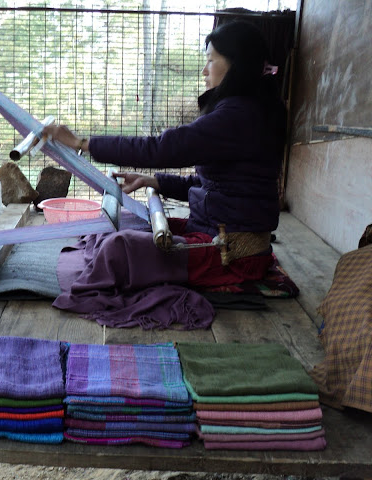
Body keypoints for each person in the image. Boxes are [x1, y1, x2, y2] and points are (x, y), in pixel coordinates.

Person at [41, 21, 287, 327]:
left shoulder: (239, 115)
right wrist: (152, 181)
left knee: (120, 247)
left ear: (236, 64)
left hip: (230, 253)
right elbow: (209, 183)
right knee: (124, 226)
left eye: (211, 60)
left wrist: (82, 143)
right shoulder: (249, 110)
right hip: (217, 231)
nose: (205, 71)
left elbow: (161, 148)